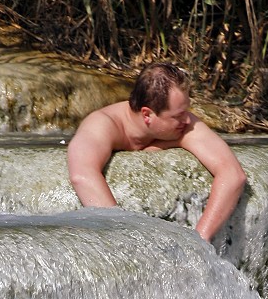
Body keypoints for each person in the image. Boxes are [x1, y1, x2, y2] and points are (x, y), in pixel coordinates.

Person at [67, 62, 247, 242]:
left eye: (187, 110)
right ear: (147, 115)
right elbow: (82, 175)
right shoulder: (102, 125)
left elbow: (232, 175)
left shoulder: (182, 124)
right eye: (177, 115)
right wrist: (121, 234)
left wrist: (200, 238)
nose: (187, 119)